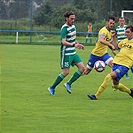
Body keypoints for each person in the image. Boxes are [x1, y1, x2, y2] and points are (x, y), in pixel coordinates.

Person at [87, 25, 133, 100]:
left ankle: (96, 96)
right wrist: (114, 37)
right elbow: (116, 46)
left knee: (109, 76)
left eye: (128, 32)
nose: (126, 33)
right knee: (116, 85)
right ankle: (130, 92)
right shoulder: (124, 41)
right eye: (126, 32)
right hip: (116, 62)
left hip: (124, 66)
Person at [48, 11, 85, 96]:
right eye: (71, 19)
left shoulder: (74, 26)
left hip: (73, 52)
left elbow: (73, 38)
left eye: (74, 19)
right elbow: (63, 42)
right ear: (66, 19)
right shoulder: (64, 28)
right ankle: (52, 87)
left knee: (82, 68)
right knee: (66, 72)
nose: (73, 20)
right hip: (66, 53)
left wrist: (77, 44)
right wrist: (73, 45)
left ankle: (68, 83)